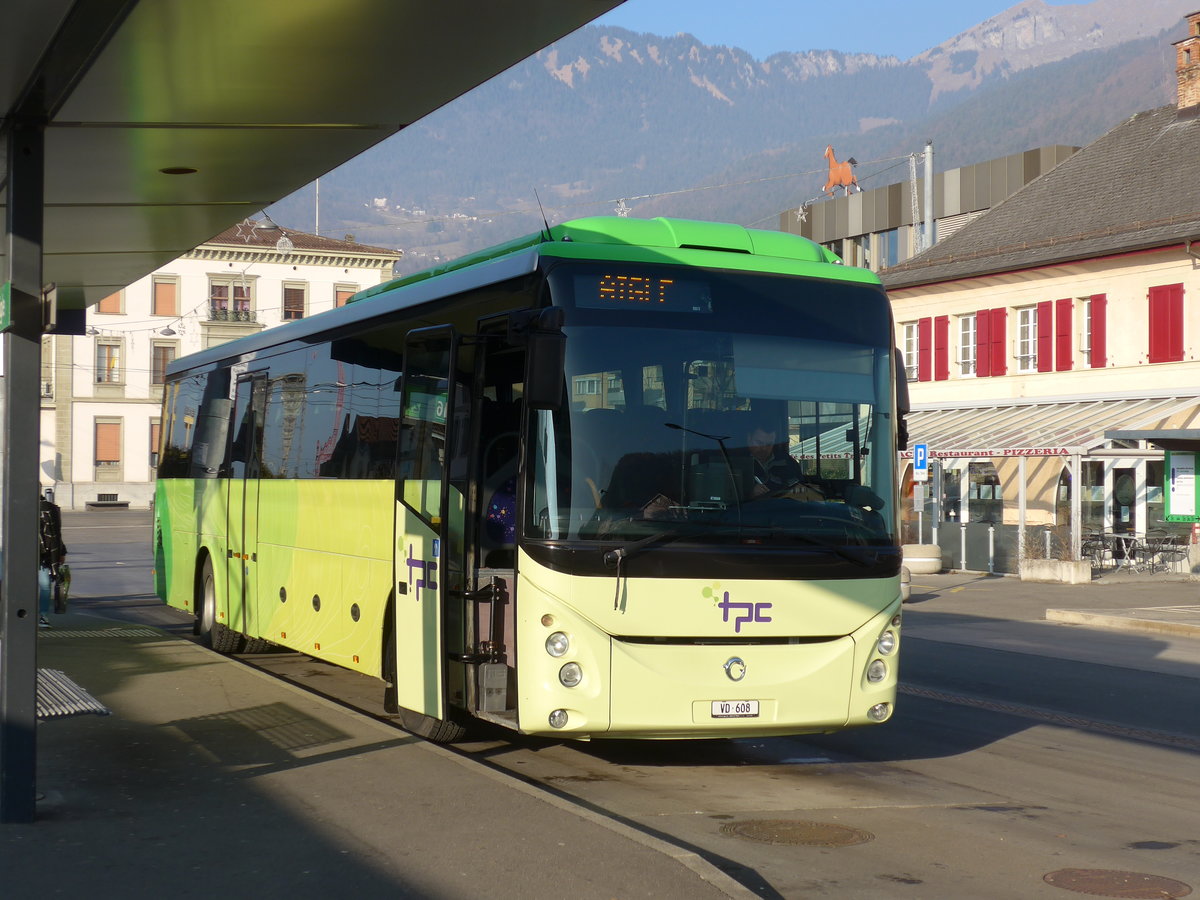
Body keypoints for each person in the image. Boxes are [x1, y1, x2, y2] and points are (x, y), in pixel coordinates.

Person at [744, 423, 821, 500]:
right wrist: (750, 494)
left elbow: (803, 490)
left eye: (769, 444)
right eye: (759, 443)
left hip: (786, 509)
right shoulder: (736, 463)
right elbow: (733, 500)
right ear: (749, 438)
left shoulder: (789, 463)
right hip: (751, 511)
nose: (763, 448)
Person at [38, 493, 68, 627]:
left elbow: (56, 532)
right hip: (46, 554)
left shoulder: (48, 508)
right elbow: (56, 533)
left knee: (43, 585)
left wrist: (61, 551)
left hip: (38, 554)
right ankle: (43, 616)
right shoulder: (50, 508)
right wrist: (60, 552)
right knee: (44, 586)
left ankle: (42, 615)